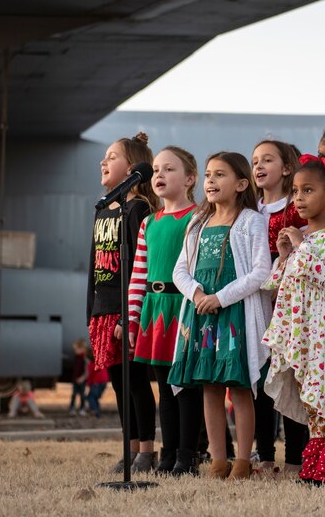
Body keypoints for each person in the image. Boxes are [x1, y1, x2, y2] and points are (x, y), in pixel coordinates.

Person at [168, 151, 272, 480]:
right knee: (209, 387)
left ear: (241, 184)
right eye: (209, 175)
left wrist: (220, 298)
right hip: (201, 313)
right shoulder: (197, 223)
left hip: (234, 314)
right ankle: (218, 460)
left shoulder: (252, 221)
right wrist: (199, 295)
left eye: (220, 175)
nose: (210, 181)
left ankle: (242, 460)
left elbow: (261, 272)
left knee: (238, 386)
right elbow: (180, 270)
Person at [262, 153, 325, 486]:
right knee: (308, 395)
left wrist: (301, 246)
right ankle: (313, 465)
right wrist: (285, 255)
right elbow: (276, 283)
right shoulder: (302, 238)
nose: (299, 198)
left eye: (308, 191)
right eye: (296, 191)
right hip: (298, 331)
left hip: (321, 330)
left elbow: (324, 273)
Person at [86, 132, 160, 474]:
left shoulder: (137, 209)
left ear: (132, 168)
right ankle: (129, 449)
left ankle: (147, 450)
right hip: (102, 309)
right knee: (118, 384)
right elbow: (94, 267)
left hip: (125, 310)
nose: (104, 162)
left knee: (136, 381)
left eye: (112, 157)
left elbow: (138, 267)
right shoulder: (103, 209)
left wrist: (128, 315)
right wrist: (91, 311)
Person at [127, 146, 203, 476]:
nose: (159, 175)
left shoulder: (198, 218)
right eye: (157, 169)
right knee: (164, 390)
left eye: (169, 169)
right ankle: (168, 454)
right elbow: (138, 275)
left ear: (190, 179)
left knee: (185, 388)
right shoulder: (148, 223)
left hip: (183, 307)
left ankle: (188, 456)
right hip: (154, 310)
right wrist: (132, 318)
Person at [251, 139, 308, 476]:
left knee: (289, 379)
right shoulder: (248, 210)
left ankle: (295, 458)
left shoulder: (295, 209)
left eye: (267, 160)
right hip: (255, 306)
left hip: (288, 308)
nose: (259, 166)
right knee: (259, 381)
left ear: (287, 168)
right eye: (255, 161)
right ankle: (264, 454)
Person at [86, 348, 109, 419]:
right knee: (95, 398)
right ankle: (98, 413)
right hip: (104, 382)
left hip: (96, 383)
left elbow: (90, 376)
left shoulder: (91, 365)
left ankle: (95, 410)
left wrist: (89, 384)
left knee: (91, 397)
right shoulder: (101, 362)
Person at [68, 339, 88, 415]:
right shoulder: (76, 357)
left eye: (76, 349)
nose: (75, 351)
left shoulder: (85, 358)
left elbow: (87, 371)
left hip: (82, 380)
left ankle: (82, 408)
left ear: (82, 349)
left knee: (82, 395)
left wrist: (82, 378)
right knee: (74, 394)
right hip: (75, 380)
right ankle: (72, 408)